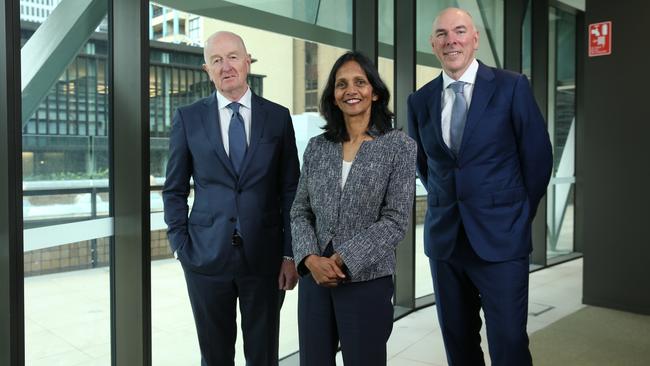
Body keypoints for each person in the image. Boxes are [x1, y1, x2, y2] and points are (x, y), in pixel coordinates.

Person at [407, 8, 553, 366]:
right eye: (442, 34)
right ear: (433, 44)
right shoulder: (419, 100)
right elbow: (425, 165)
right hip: (446, 243)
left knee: (509, 343)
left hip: (502, 240)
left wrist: (516, 213)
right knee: (458, 344)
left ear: (475, 38)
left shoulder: (511, 86)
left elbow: (537, 159)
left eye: (459, 31)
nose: (451, 40)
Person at [162, 31, 300, 366]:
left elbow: (291, 189)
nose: (226, 66)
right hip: (205, 258)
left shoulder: (278, 118)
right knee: (214, 354)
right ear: (206, 69)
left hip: (266, 258)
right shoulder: (188, 118)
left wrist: (290, 253)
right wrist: (181, 245)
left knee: (263, 353)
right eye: (217, 60)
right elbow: (174, 188)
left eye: (233, 57)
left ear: (247, 60)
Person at [290, 51, 416, 366]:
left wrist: (345, 258)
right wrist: (309, 259)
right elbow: (300, 211)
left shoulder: (398, 146)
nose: (351, 90)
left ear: (374, 91)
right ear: (333, 96)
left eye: (360, 82)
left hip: (367, 281)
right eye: (341, 84)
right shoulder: (317, 148)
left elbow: (396, 220)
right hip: (315, 280)